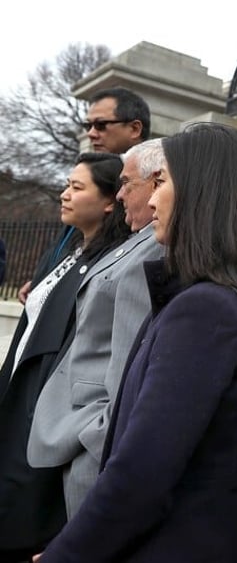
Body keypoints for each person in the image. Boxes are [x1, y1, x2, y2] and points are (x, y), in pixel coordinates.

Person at [34, 123, 237, 561]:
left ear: (201, 193)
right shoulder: (231, 304)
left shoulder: (206, 312)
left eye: (164, 182)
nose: (151, 198)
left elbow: (143, 471)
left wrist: (66, 554)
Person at [0, 152, 130, 562]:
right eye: (66, 185)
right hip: (19, 398)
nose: (64, 195)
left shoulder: (110, 265)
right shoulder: (66, 250)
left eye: (77, 188)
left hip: (44, 418)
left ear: (110, 201)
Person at [27, 139, 166, 517]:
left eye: (127, 184)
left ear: (158, 182)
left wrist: (91, 440)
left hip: (88, 440)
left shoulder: (155, 248)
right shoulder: (138, 242)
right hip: (68, 429)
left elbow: (124, 372)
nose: (120, 194)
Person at [17, 87, 150, 304]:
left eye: (101, 125)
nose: (91, 133)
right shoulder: (92, 171)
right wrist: (47, 276)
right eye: (88, 125)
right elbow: (74, 241)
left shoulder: (147, 187)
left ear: (134, 128)